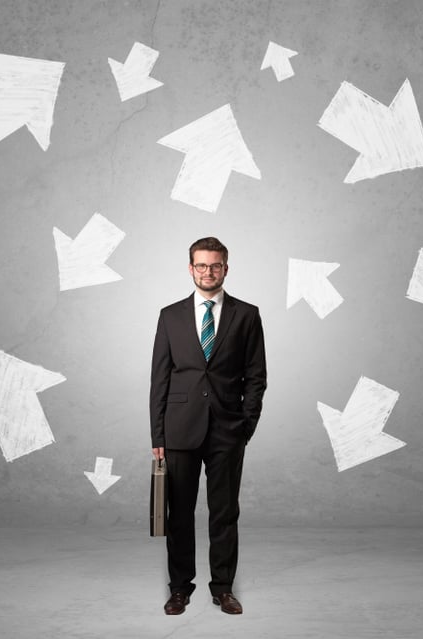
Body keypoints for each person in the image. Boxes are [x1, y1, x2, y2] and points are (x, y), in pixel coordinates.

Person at [149, 236, 267, 616]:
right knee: (179, 514)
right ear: (190, 268)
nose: (208, 272)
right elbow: (160, 379)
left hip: (227, 431)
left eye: (215, 265)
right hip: (180, 429)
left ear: (226, 268)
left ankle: (223, 588)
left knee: (224, 512)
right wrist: (158, 436)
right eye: (201, 265)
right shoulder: (170, 316)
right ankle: (180, 588)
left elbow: (256, 376)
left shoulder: (247, 315)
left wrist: (245, 426)